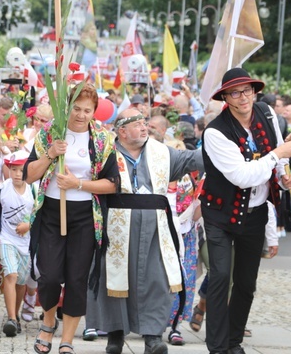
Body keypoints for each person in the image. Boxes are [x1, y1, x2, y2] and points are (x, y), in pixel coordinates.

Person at [201, 68, 291, 354]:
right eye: (235, 92)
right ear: (226, 97)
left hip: (255, 212)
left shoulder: (266, 112)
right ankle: (218, 348)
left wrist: (285, 176)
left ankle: (234, 342)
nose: (243, 97)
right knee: (221, 277)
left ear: (254, 91)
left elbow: (277, 150)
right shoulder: (215, 132)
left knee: (246, 283)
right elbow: (243, 176)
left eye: (247, 90)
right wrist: (276, 157)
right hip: (220, 213)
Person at [86, 108, 203, 354]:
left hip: (155, 229)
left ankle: (152, 338)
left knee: (156, 280)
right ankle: (115, 336)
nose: (143, 127)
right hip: (115, 226)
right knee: (113, 281)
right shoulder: (105, 153)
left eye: (144, 122)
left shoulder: (162, 153)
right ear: (122, 131)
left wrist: (217, 143)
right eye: (136, 123)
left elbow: (193, 160)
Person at [24, 83, 119, 354]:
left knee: (77, 279)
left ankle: (67, 339)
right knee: (50, 275)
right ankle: (48, 323)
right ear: (67, 108)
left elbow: (112, 184)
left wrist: (79, 183)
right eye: (76, 108)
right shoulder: (51, 132)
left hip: (85, 215)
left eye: (87, 110)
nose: (80, 115)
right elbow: (29, 175)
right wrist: (51, 154)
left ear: (94, 111)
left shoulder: (102, 138)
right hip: (52, 212)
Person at [0, 150, 34, 337]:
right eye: (13, 169)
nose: (17, 174)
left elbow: (42, 213)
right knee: (11, 274)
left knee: (22, 281)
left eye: (21, 170)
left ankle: (15, 314)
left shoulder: (34, 189)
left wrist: (29, 225)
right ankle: (12, 319)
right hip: (6, 238)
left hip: (26, 241)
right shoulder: (1, 188)